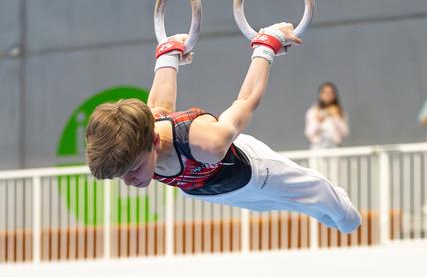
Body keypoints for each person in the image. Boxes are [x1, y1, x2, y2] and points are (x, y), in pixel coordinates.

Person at [86, 24, 362, 234]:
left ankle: (347, 216)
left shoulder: (206, 141)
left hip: (253, 170)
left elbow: (247, 100)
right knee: (288, 206)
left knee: (327, 203)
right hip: (216, 191)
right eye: (121, 176)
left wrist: (266, 48)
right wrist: (168, 56)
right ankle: (326, 215)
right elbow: (159, 103)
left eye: (132, 170)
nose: (129, 181)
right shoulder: (144, 131)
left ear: (155, 141)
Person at [305, 82, 349, 149]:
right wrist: (318, 121)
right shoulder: (313, 111)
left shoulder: (339, 112)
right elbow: (309, 133)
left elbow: (345, 133)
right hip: (318, 148)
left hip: (334, 148)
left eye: (331, 93)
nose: (328, 95)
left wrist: (336, 117)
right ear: (320, 94)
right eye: (325, 92)